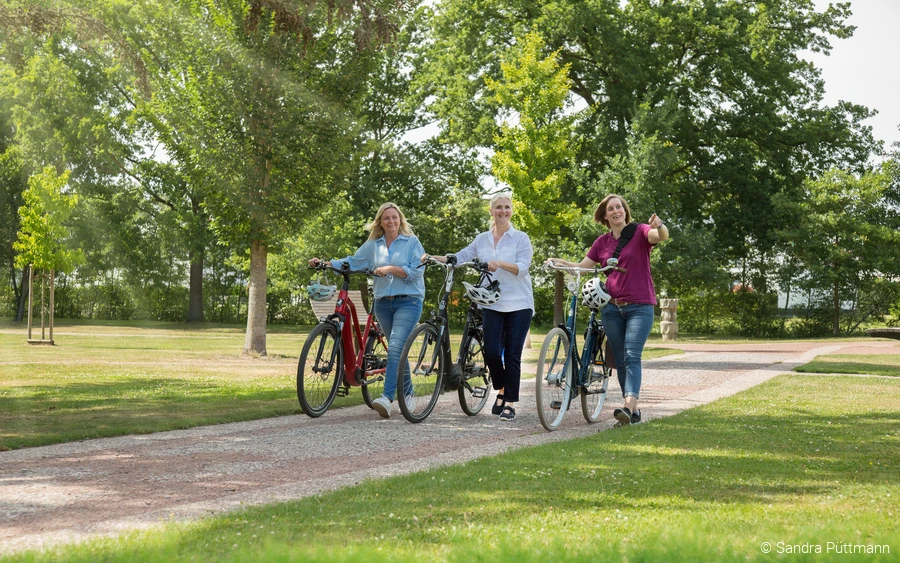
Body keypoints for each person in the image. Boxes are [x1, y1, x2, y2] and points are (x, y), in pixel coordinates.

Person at [549, 194, 669, 426]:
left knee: (632, 355)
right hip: (611, 308)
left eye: (619, 207)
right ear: (605, 215)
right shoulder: (601, 243)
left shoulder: (641, 231)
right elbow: (583, 267)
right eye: (611, 208)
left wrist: (660, 226)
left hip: (640, 306)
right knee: (621, 360)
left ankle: (627, 405)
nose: (616, 211)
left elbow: (660, 236)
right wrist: (561, 262)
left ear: (625, 211)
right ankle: (633, 411)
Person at [308, 202, 425, 419]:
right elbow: (352, 261)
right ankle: (408, 393)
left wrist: (389, 269)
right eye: (386, 218)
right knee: (396, 349)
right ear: (380, 222)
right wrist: (324, 263)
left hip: (409, 301)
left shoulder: (411, 242)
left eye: (394, 217)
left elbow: (417, 272)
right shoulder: (374, 245)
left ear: (400, 220)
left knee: (396, 347)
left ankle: (387, 398)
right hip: (383, 302)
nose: (391, 221)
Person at [423, 193, 534, 421]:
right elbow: (461, 256)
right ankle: (501, 389)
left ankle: (509, 402)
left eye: (507, 207)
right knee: (491, 351)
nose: (503, 211)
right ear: (491, 211)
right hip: (491, 303)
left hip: (519, 303)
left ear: (511, 211)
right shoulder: (482, 239)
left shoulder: (520, 238)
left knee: (512, 355)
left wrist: (499, 264)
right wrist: (433, 257)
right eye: (499, 207)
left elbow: (523, 267)